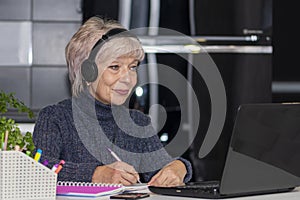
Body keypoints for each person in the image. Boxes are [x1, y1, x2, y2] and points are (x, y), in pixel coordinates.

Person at [33, 16, 192, 187]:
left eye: (132, 67)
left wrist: (179, 167)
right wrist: (95, 174)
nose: (128, 79)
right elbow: (40, 170)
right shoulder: (55, 118)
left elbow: (162, 167)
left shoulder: (137, 122)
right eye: (115, 67)